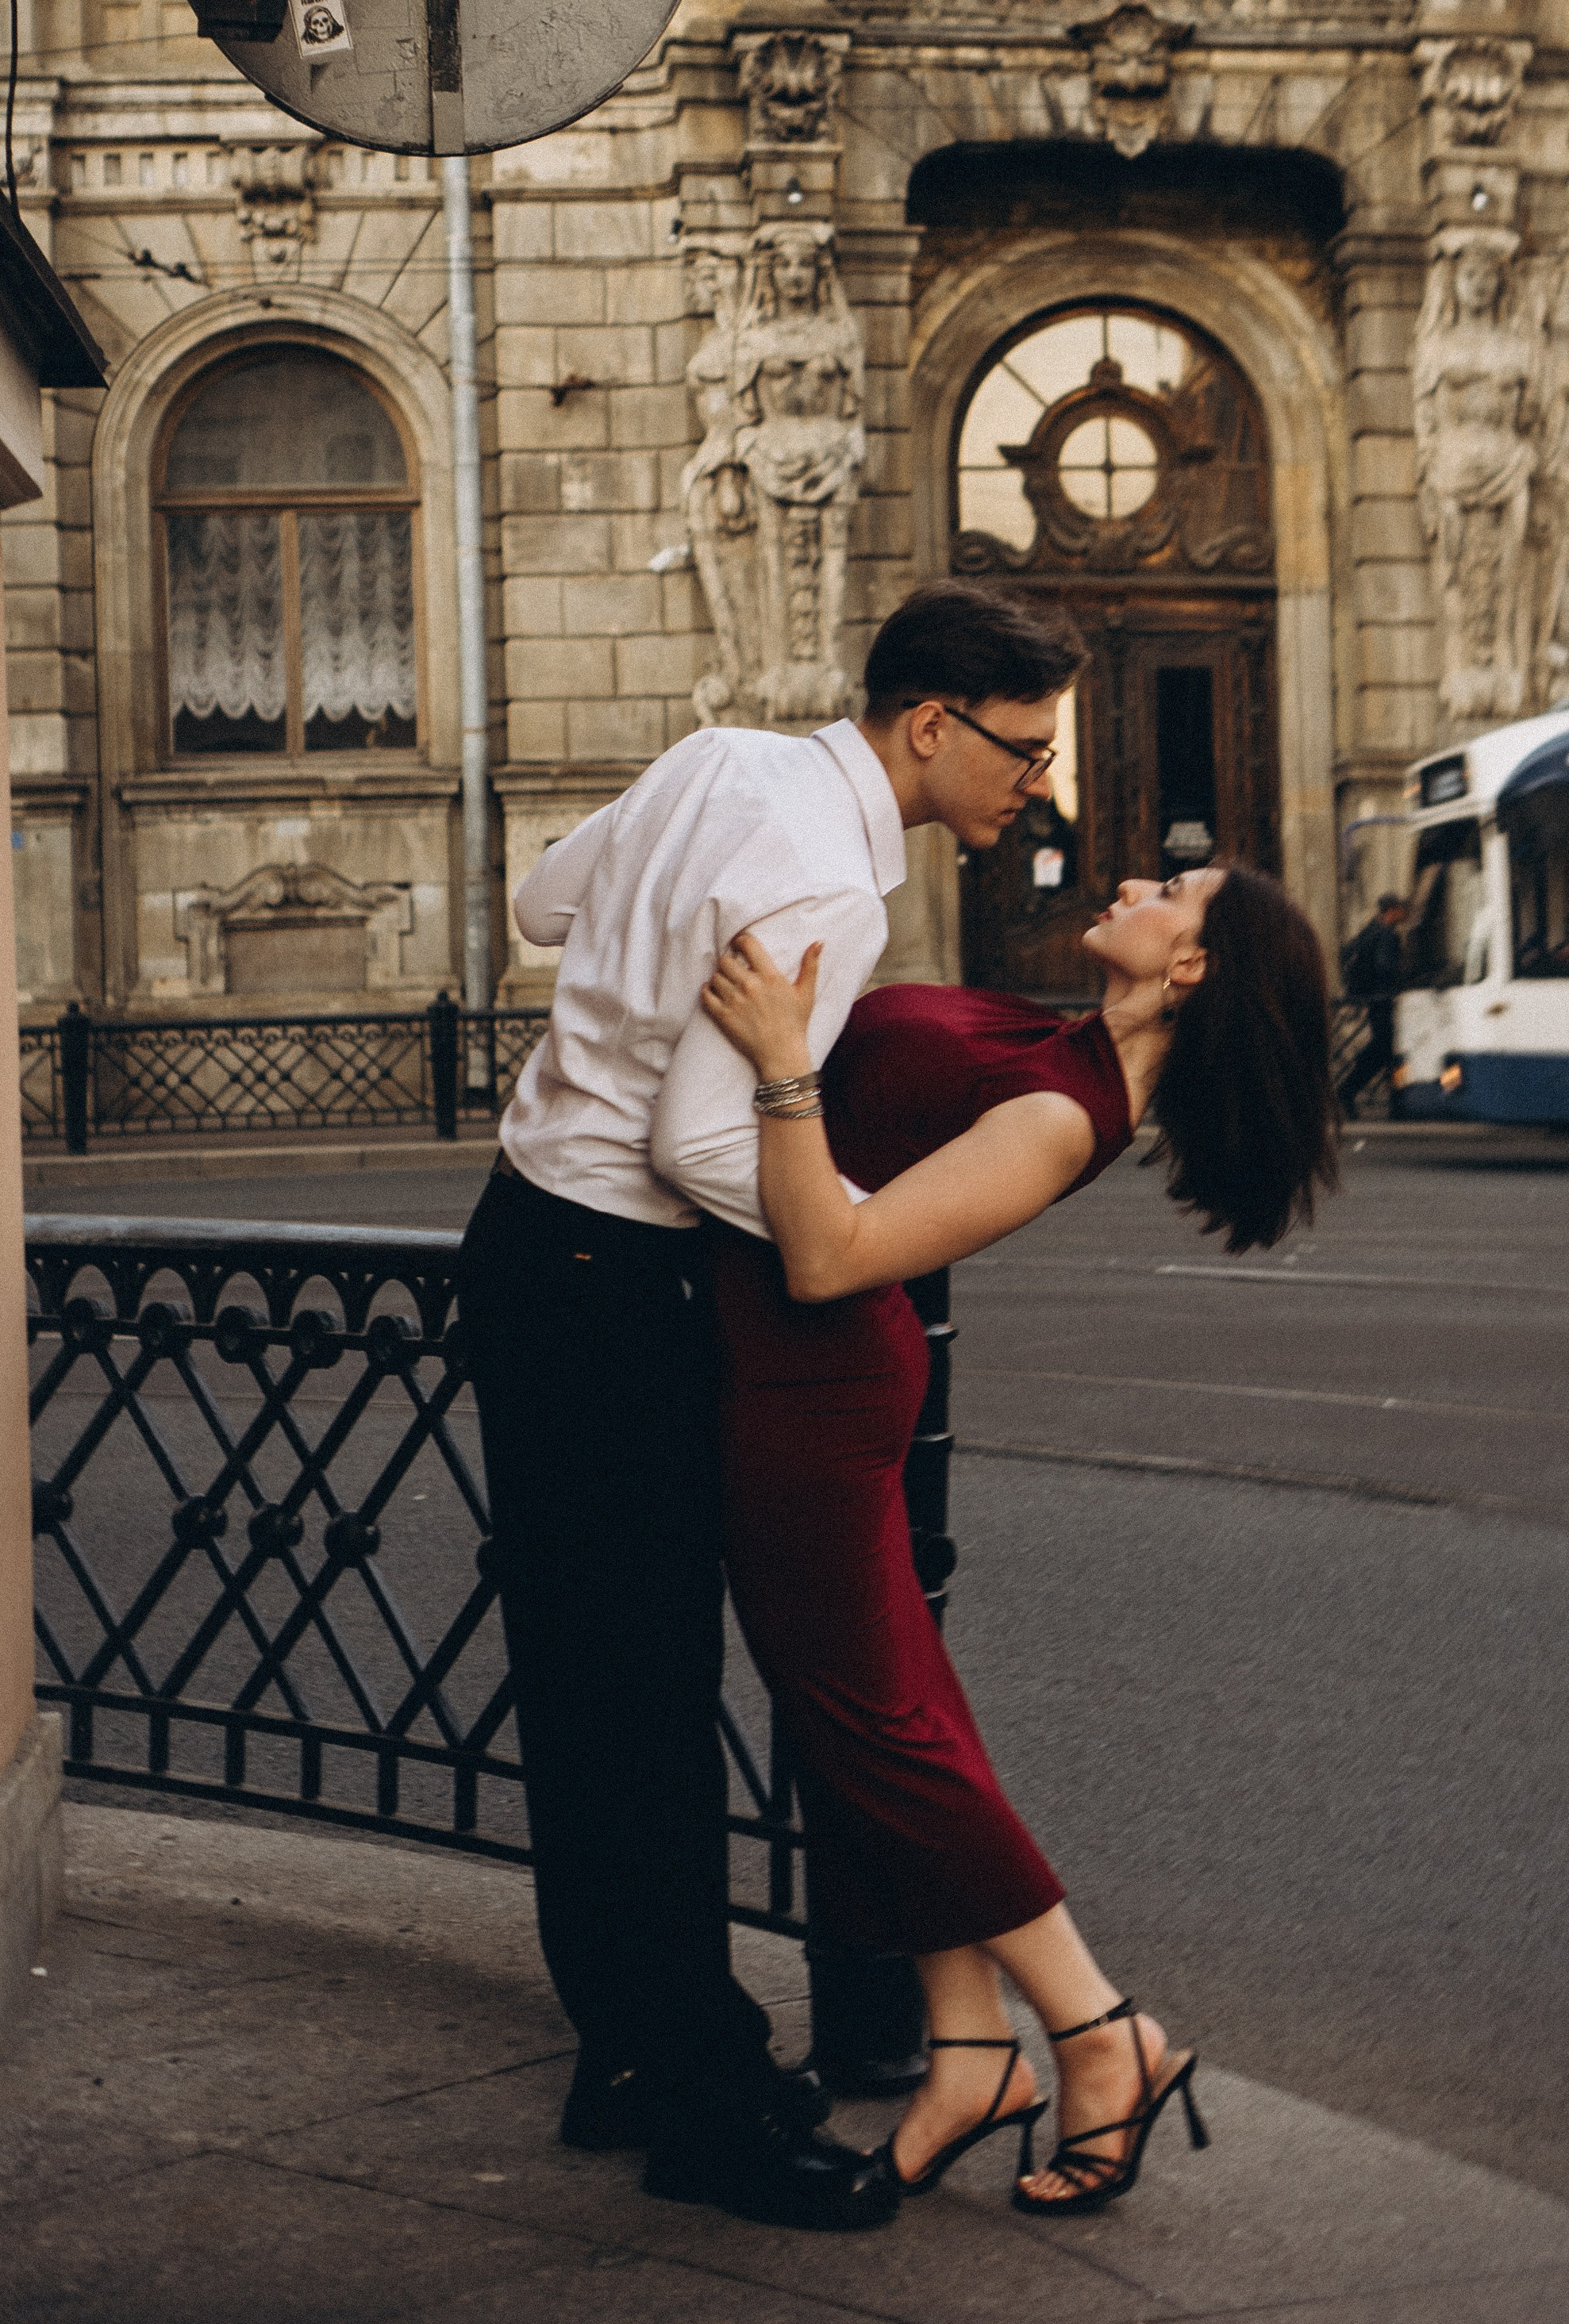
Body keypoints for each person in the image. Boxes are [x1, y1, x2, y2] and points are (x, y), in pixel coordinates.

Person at [454, 579, 1086, 2233]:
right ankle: (702, 2099)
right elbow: (699, 1147)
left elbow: (538, 900)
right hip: (616, 1275)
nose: (1035, 784)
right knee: (652, 1698)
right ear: (927, 725)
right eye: (1018, 750)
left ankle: (629, 2053)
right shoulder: (827, 874)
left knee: (590, 1687)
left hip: (523, 1238)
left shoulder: (721, 757)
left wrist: (637, 975)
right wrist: (845, 1219)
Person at [688, 855, 1337, 2215]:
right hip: (796, 1381)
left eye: (1179, 887)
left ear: (1194, 966)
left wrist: (776, 1062)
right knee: (882, 1719)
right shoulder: (1055, 1040)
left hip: (816, 1393)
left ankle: (1102, 2035)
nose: (1137, 878)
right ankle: (975, 2045)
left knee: (877, 1731)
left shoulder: (1062, 1111)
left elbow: (827, 1253)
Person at [1339, 893, 1408, 1112]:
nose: (1404, 912)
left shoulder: (1369, 931)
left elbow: (1348, 953)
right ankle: (1346, 1091)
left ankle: (1397, 1103)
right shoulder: (1387, 935)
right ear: (1391, 910)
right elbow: (1385, 968)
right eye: (1401, 908)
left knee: (1385, 1051)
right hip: (1383, 1000)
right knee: (1382, 1050)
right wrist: (1399, 983)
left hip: (1370, 999)